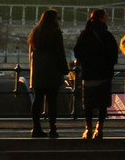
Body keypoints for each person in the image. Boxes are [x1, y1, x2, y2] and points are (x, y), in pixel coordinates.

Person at [71, 10, 118, 139]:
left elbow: (77, 52)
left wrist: (86, 62)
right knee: (102, 104)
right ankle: (100, 128)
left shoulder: (85, 34)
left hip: (89, 73)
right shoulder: (107, 35)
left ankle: (88, 128)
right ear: (102, 18)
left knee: (89, 104)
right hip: (104, 74)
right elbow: (114, 55)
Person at [27, 10, 65, 138]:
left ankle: (36, 127)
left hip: (38, 72)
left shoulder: (35, 33)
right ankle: (52, 128)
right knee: (52, 101)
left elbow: (31, 55)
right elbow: (60, 53)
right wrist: (65, 69)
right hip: (52, 72)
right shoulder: (55, 33)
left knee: (37, 100)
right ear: (53, 19)